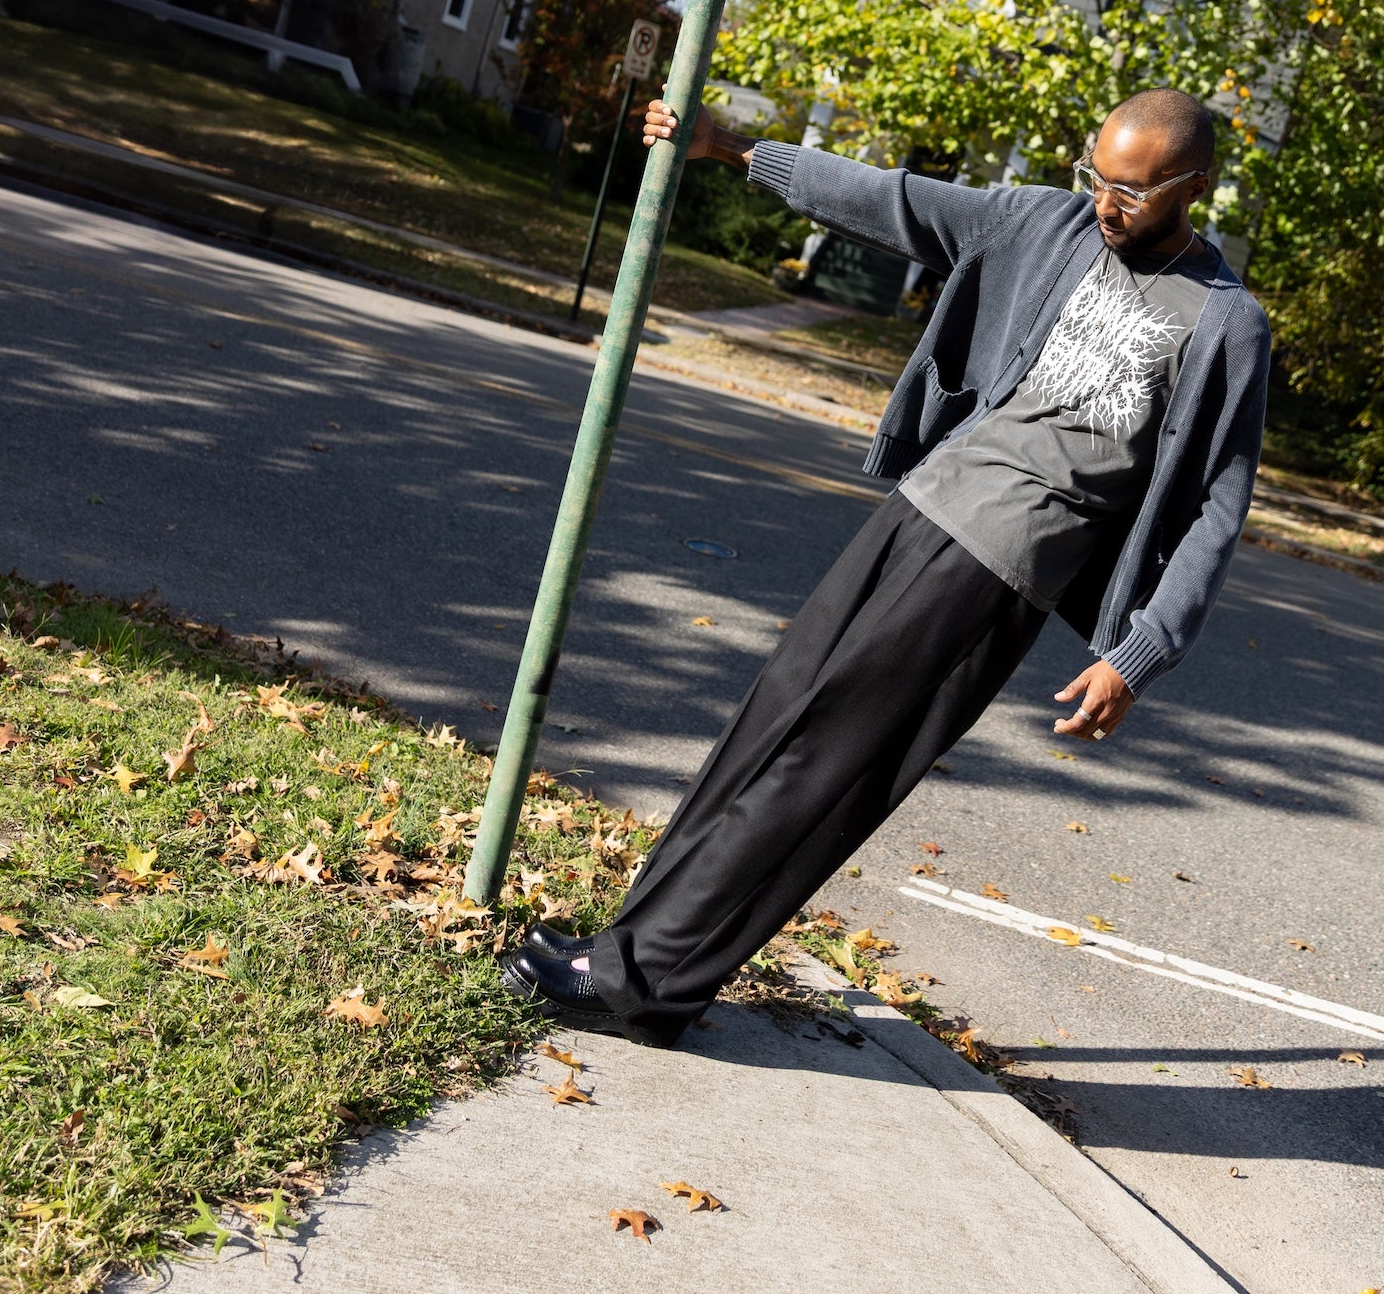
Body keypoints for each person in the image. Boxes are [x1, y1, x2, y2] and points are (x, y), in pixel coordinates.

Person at [503, 86, 1272, 1039]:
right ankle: (631, 947)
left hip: (1001, 567)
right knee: (773, 719)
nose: (1105, 204)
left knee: (825, 763)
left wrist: (1140, 651)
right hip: (920, 507)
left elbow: (1214, 508)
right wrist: (730, 147)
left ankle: (640, 978)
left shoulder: (1227, 323)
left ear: (1193, 187)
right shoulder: (1048, 222)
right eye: (1095, 176)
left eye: (1132, 191)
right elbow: (895, 201)